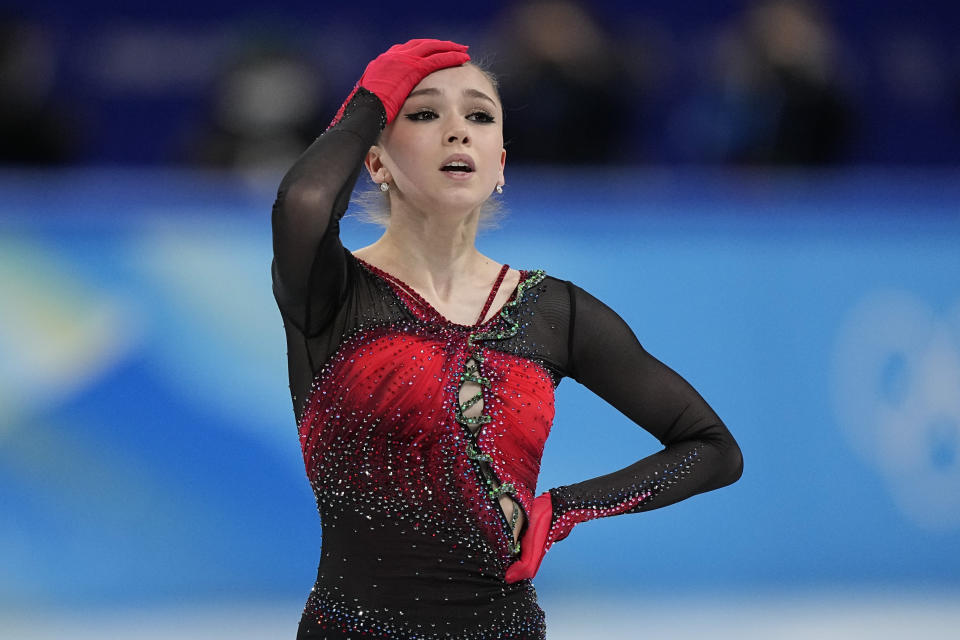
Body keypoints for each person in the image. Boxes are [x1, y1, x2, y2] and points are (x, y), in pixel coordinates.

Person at [271, 39, 743, 640]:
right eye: (422, 114)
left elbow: (712, 448)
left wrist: (564, 509)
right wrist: (370, 100)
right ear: (375, 163)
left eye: (478, 116)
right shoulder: (331, 292)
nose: (456, 132)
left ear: (500, 164)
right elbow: (304, 203)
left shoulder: (553, 312)